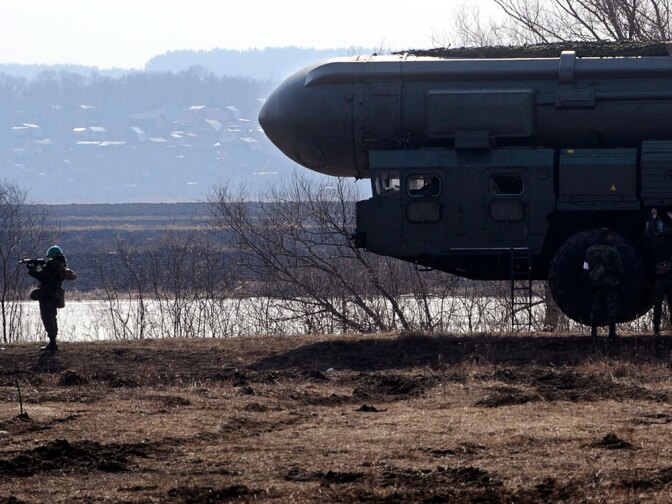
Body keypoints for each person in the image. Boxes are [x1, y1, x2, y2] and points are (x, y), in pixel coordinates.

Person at [26, 245, 77, 352]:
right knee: (52, 317)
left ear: (52, 256)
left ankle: (52, 344)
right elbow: (48, 275)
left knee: (47, 317)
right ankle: (53, 342)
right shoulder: (62, 264)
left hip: (47, 294)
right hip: (55, 294)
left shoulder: (52, 264)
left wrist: (32, 269)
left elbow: (42, 276)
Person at [583, 231, 625, 339]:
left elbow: (585, 267)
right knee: (611, 307)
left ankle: (593, 333)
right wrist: (621, 283)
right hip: (610, 283)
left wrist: (588, 280)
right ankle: (612, 333)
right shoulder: (612, 251)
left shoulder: (590, 251)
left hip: (595, 283)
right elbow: (620, 269)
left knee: (596, 306)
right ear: (606, 237)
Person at [645, 207, 672, 336]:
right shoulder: (669, 244)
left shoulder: (656, 244)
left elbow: (649, 235)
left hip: (660, 278)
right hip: (670, 277)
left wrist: (653, 218)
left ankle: (656, 328)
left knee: (658, 303)